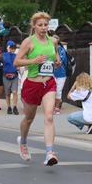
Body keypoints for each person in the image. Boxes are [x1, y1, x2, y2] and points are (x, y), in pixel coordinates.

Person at [14, 11, 61, 166]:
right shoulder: (29, 42)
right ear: (34, 26)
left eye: (45, 25)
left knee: (49, 116)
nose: (43, 28)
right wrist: (34, 60)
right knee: (29, 118)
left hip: (48, 83)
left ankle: (49, 153)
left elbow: (56, 57)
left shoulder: (53, 41)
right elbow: (17, 62)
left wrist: (57, 62)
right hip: (32, 84)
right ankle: (23, 141)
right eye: (40, 25)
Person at [52, 35, 70, 115]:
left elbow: (60, 62)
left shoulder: (61, 50)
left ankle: (57, 108)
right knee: (52, 91)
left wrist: (56, 63)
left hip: (61, 74)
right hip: (51, 73)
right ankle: (53, 106)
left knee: (58, 91)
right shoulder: (49, 49)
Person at [2, 40, 20, 115]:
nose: (13, 49)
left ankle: (15, 107)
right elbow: (6, 61)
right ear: (8, 47)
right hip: (6, 77)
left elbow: (18, 64)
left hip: (14, 76)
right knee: (7, 93)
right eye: (11, 48)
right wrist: (8, 52)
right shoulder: (4, 55)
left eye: (14, 48)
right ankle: (9, 107)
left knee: (15, 92)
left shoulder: (16, 56)